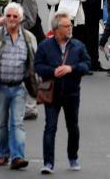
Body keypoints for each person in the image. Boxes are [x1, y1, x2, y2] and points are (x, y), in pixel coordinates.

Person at [0, 2, 37, 169]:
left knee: (17, 123)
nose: (11, 19)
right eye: (8, 16)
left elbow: (35, 64)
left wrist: (37, 87)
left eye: (15, 16)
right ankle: (3, 154)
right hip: (0, 87)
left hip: (19, 87)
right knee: (1, 123)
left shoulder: (29, 38)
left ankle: (18, 156)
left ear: (21, 19)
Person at [34, 12, 91, 173]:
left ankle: (73, 157)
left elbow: (87, 65)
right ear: (57, 29)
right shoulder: (45, 46)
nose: (70, 28)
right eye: (66, 26)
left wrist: (71, 68)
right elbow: (37, 66)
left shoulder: (78, 46)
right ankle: (48, 163)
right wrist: (53, 71)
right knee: (50, 127)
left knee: (73, 127)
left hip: (72, 93)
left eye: (70, 25)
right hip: (51, 93)